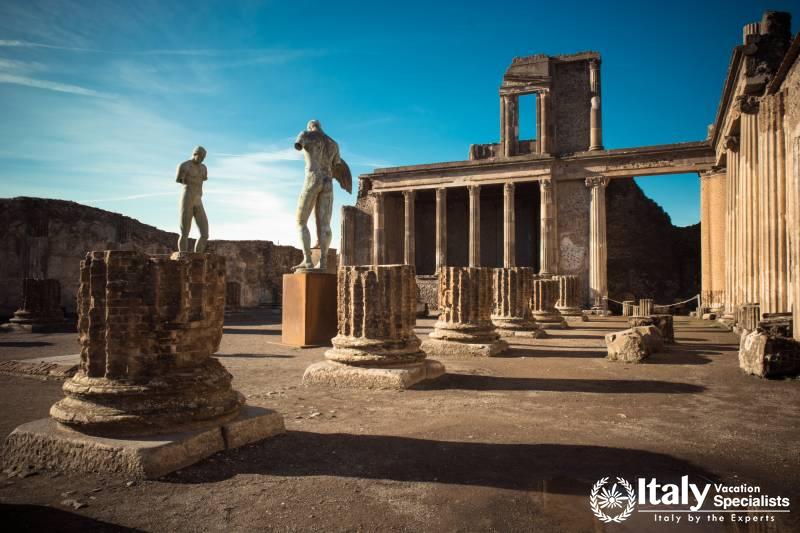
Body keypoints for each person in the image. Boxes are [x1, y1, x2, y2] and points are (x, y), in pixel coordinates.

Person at [293, 120, 343, 270]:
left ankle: (307, 260)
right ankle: (323, 261)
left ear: (310, 126)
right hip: (328, 182)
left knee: (300, 221)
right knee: (325, 224)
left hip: (312, 179)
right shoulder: (334, 144)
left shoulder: (305, 135)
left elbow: (298, 145)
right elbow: (336, 164)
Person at [176, 146, 209, 252]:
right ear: (195, 154)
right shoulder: (184, 166)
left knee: (205, 233)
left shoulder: (203, 168)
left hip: (198, 201)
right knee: (185, 232)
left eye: (204, 157)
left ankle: (198, 257)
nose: (202, 159)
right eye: (200, 156)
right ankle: (182, 257)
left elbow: (202, 180)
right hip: (187, 199)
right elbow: (180, 180)